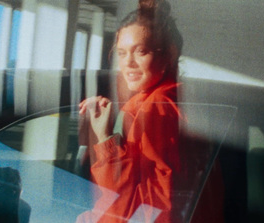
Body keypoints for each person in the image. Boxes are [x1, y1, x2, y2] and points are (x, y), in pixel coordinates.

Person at [76, 0, 184, 222]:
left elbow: (148, 210)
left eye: (141, 51)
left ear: (169, 54)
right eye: (122, 53)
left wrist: (105, 139)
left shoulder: (157, 109)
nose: (128, 63)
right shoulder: (173, 99)